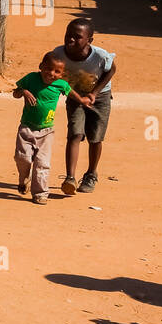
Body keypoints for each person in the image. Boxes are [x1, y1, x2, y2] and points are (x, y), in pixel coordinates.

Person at [52, 18, 116, 194]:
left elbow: (111, 70)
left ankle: (91, 174)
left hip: (100, 97)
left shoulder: (100, 56)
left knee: (95, 138)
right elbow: (51, 71)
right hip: (75, 96)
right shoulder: (58, 53)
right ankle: (70, 178)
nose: (71, 39)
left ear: (89, 40)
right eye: (68, 35)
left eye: (77, 37)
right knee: (75, 134)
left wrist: (94, 93)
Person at [12, 52, 72, 205]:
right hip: (26, 128)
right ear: (40, 67)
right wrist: (24, 91)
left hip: (47, 131)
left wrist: (85, 101)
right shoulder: (31, 78)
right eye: (48, 69)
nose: (51, 74)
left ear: (62, 74)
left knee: (42, 162)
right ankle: (24, 177)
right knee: (22, 157)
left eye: (57, 72)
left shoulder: (61, 85)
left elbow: (73, 95)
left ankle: (40, 193)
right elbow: (15, 93)